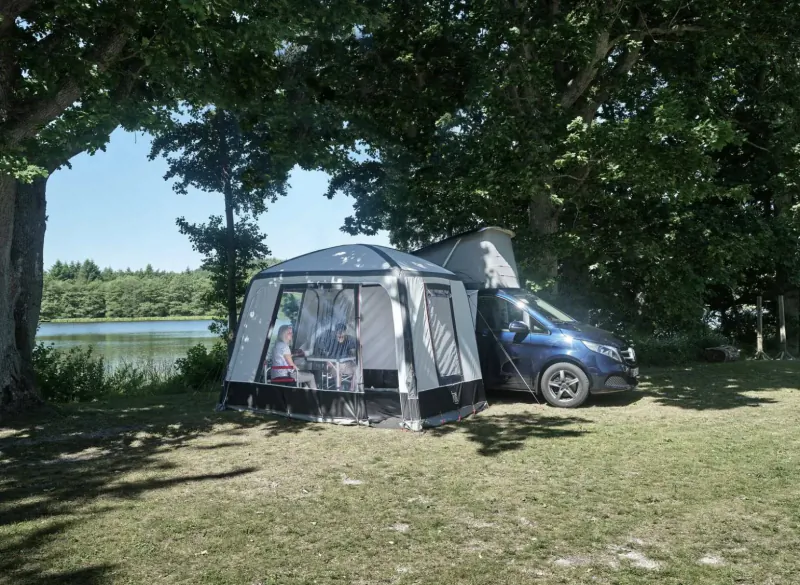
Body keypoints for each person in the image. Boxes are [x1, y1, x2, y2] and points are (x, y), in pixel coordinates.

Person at [271, 324, 317, 389]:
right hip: (285, 376)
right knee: (311, 376)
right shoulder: (285, 347)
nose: (291, 334)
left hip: (275, 375)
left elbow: (282, 357)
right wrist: (298, 370)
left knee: (305, 379)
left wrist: (292, 355)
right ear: (283, 334)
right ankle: (316, 397)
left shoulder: (276, 345)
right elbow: (291, 365)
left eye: (291, 332)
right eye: (289, 333)